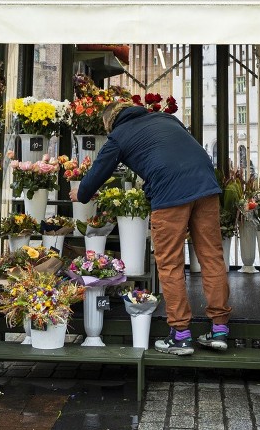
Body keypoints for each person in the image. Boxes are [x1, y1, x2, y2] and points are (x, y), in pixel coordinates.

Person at [70, 99, 231, 355]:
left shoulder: (119, 135)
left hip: (170, 195)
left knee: (170, 263)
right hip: (206, 187)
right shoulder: (166, 119)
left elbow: (98, 173)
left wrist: (81, 193)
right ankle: (220, 329)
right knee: (212, 258)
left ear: (110, 122)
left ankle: (180, 335)